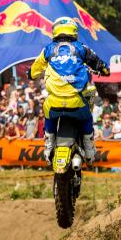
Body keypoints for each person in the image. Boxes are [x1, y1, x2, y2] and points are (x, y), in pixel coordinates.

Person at [30, 16, 110, 166]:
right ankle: (89, 150)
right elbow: (99, 63)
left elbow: (33, 72)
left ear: (55, 30)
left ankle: (48, 145)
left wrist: (31, 74)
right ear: (74, 30)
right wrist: (105, 70)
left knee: (48, 114)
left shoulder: (48, 50)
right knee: (87, 116)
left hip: (54, 103)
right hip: (76, 102)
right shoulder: (82, 48)